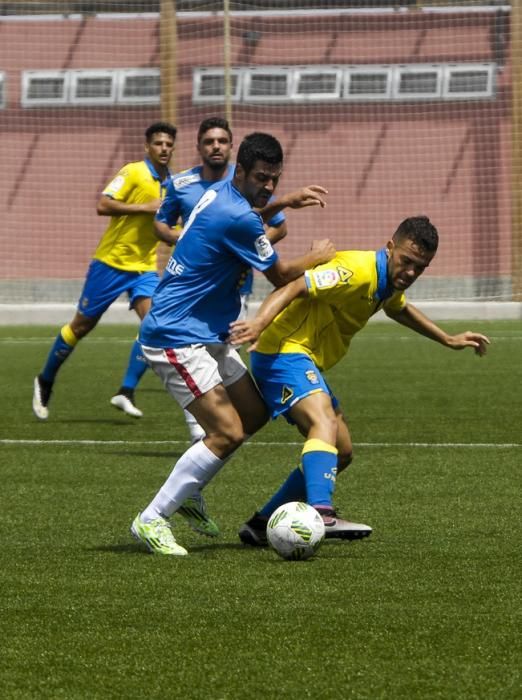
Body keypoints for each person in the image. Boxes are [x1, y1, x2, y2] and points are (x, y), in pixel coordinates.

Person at [130, 131, 336, 555]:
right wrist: (315, 258)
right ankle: (151, 519)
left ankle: (189, 487)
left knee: (254, 414)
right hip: (176, 334)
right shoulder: (237, 216)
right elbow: (280, 276)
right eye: (262, 178)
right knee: (226, 433)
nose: (268, 187)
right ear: (241, 171)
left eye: (274, 179)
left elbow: (252, 209)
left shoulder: (223, 191)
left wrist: (283, 200)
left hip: (207, 332)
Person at [228, 216, 491, 546]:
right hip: (281, 352)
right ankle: (322, 513)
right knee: (323, 422)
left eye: (419, 267)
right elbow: (295, 286)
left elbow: (398, 309)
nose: (410, 272)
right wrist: (259, 323)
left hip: (301, 358)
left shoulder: (387, 281)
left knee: (342, 451)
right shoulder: (357, 270)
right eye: (407, 261)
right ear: (390, 246)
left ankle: (260, 524)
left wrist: (447, 339)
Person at [152, 116, 288, 443]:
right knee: (221, 429)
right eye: (210, 141)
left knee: (250, 416)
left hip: (226, 301)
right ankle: (194, 439)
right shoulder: (184, 185)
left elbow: (271, 225)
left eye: (222, 141)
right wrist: (188, 244)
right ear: (198, 146)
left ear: (231, 147)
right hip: (187, 311)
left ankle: (203, 439)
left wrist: (248, 247)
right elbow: (161, 224)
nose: (216, 147)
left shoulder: (235, 191)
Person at [32, 122, 179, 421]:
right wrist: (145, 207)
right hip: (110, 264)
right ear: (147, 147)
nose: (164, 148)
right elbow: (103, 204)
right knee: (81, 326)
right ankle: (45, 380)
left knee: (155, 325)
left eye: (168, 144)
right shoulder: (134, 172)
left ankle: (126, 391)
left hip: (144, 268)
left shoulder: (173, 184)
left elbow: (165, 225)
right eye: (158, 143)